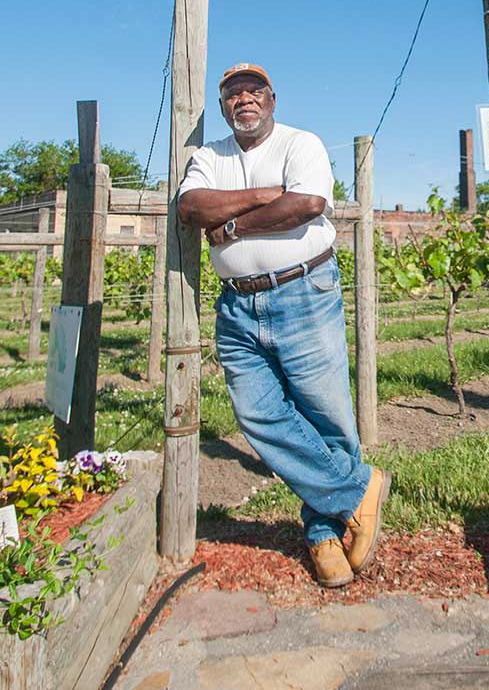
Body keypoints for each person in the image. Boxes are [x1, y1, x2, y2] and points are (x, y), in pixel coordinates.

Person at [177, 62, 390, 588]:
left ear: (272, 99)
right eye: (233, 93)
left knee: (327, 415)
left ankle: (323, 533)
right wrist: (262, 195)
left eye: (255, 90)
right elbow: (191, 206)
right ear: (223, 106)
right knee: (258, 415)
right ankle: (358, 490)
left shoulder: (301, 143)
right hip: (237, 306)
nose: (244, 98)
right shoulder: (209, 156)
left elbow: (307, 204)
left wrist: (231, 226)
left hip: (303, 293)